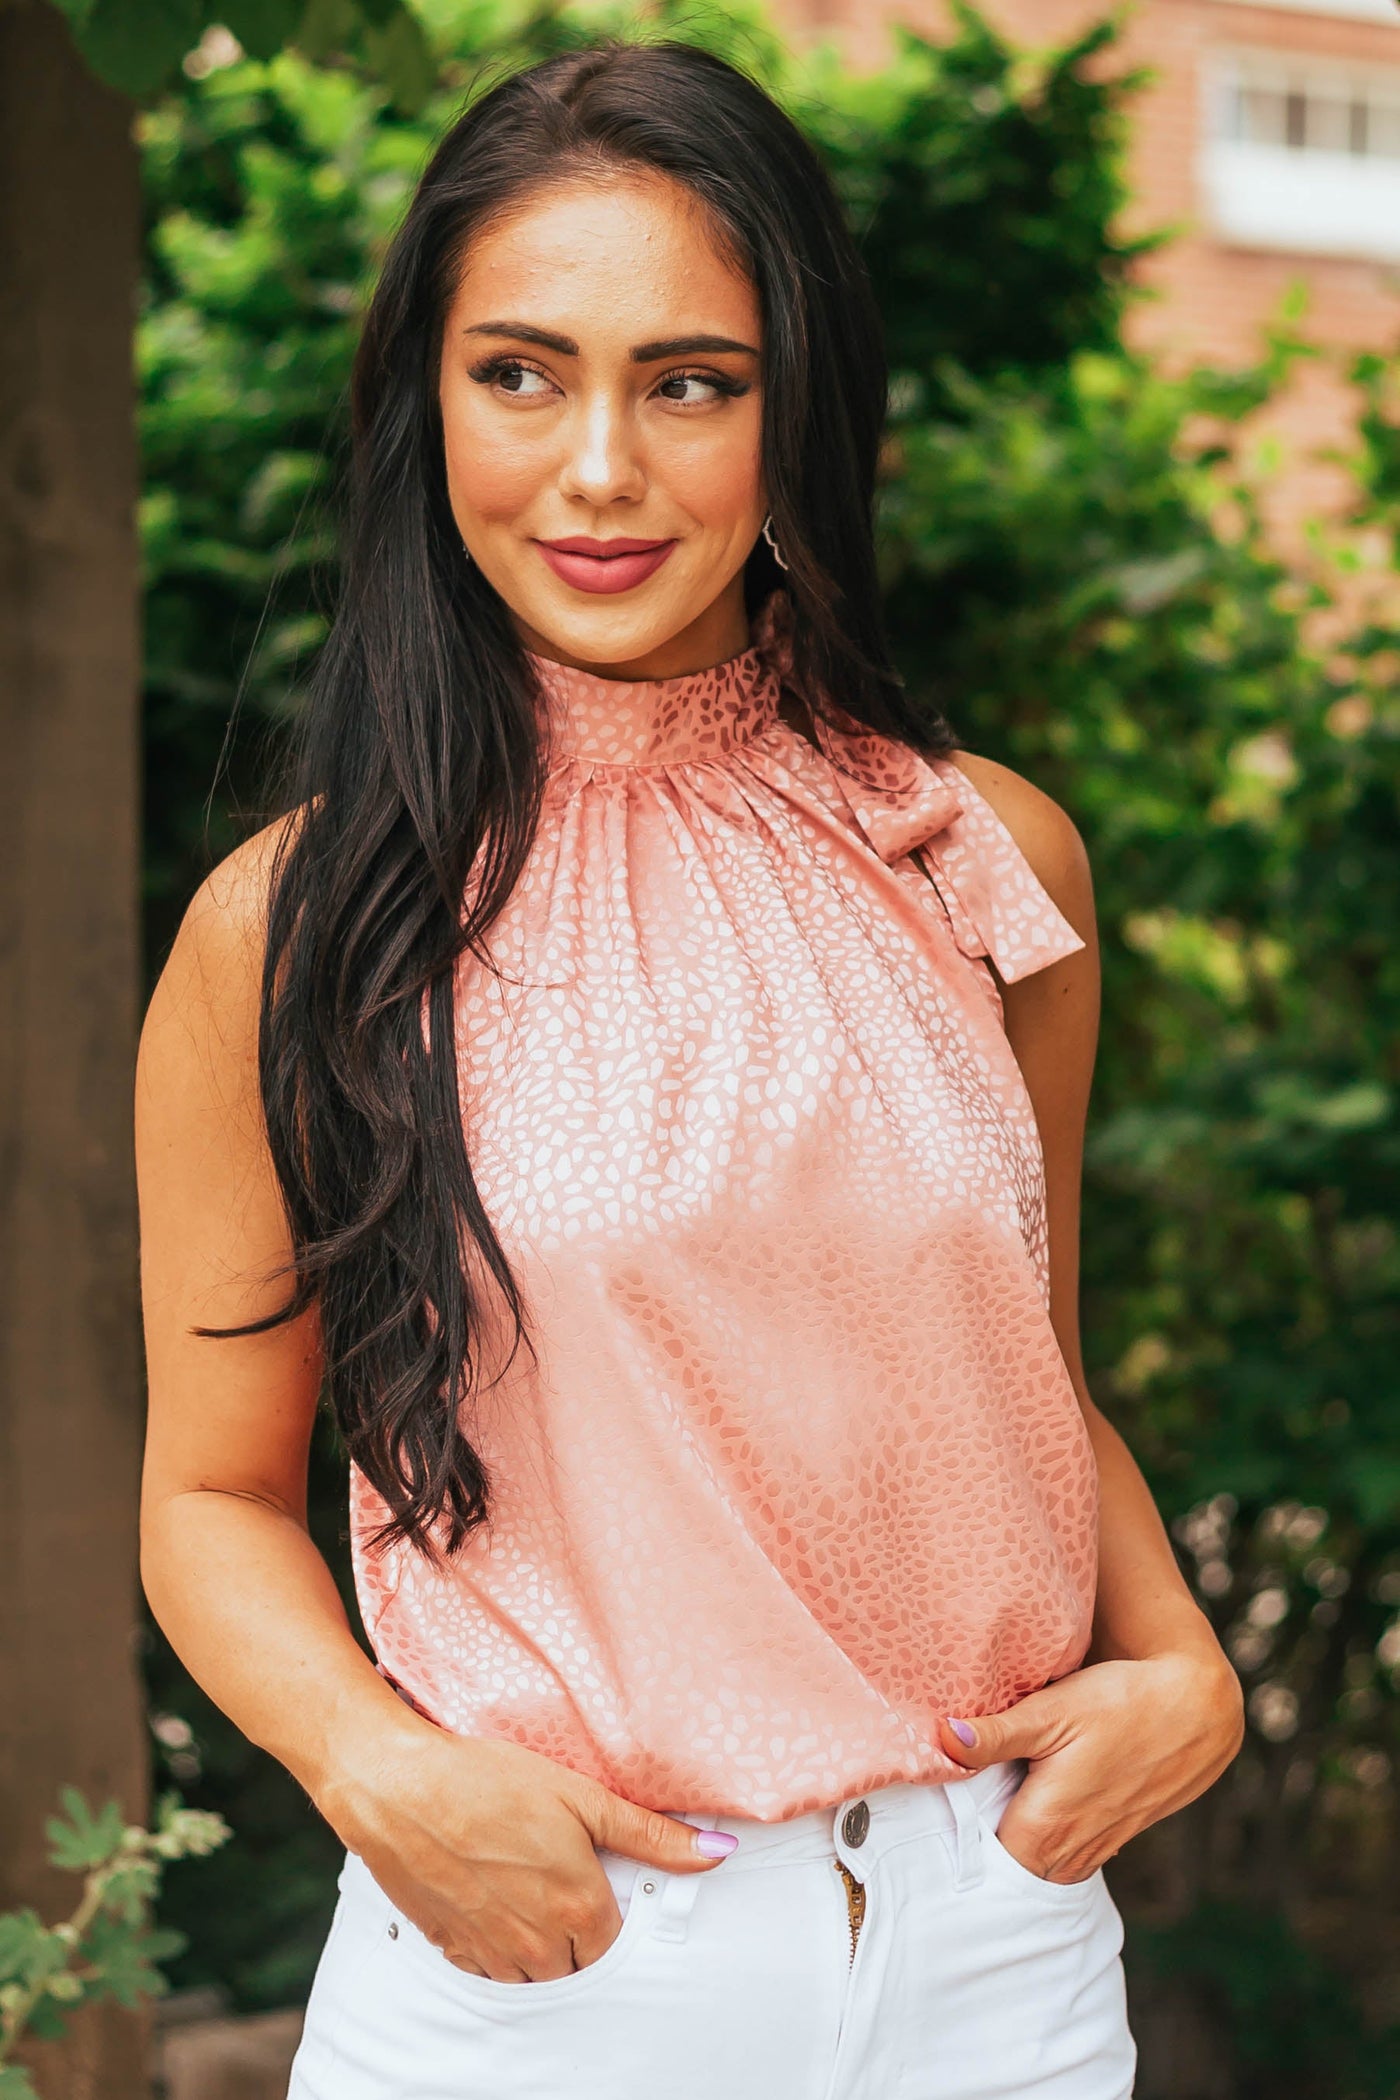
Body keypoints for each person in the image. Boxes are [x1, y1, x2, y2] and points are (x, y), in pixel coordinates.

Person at [136, 40, 1243, 2100]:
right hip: (551, 1967)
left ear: (793, 409)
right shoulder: (290, 934)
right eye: (521, 373)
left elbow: (1028, 1374)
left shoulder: (981, 857)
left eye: (692, 382)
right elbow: (207, 1494)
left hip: (995, 1961)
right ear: (421, 403)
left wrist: (1182, 1672)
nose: (598, 473)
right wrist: (376, 1766)